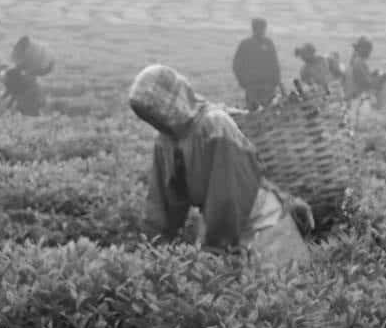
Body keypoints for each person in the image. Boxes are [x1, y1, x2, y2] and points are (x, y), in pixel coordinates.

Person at [129, 64, 315, 269]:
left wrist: (215, 250)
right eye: (150, 115)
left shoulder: (214, 125)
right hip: (219, 222)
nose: (157, 117)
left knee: (282, 288)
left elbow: (227, 195)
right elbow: (161, 203)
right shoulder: (165, 142)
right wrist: (153, 248)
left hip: (262, 222)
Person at [232, 17, 283, 110]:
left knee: (272, 110)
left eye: (263, 28)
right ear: (253, 28)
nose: (262, 30)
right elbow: (236, 65)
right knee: (253, 113)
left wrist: (277, 81)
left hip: (269, 86)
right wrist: (243, 82)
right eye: (259, 28)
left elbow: (275, 63)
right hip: (252, 86)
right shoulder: (245, 44)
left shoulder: (268, 43)